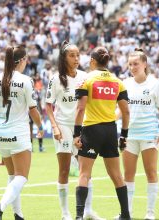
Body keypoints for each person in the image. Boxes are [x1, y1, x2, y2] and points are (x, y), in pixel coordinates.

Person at [0, 45, 44, 220]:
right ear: (22, 61)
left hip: (0, 134)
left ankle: (18, 215)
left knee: (12, 177)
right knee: (22, 177)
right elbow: (33, 110)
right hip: (19, 133)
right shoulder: (25, 80)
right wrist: (40, 127)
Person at [45, 41, 103, 220]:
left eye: (78, 55)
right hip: (62, 127)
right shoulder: (55, 79)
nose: (76, 58)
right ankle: (65, 213)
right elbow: (48, 104)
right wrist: (54, 126)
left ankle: (88, 211)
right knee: (64, 171)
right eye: (72, 55)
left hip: (83, 128)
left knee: (86, 171)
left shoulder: (85, 77)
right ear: (64, 58)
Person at [74, 46, 131, 220]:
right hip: (110, 131)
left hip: (91, 130)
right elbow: (126, 112)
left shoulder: (86, 80)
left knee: (84, 174)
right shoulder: (117, 81)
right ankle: (126, 214)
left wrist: (76, 134)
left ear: (92, 61)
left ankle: (78, 216)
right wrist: (124, 136)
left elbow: (81, 108)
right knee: (116, 175)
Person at [118, 49, 159, 220]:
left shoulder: (155, 84)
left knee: (151, 173)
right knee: (128, 175)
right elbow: (121, 110)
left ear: (144, 64)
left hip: (149, 134)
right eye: (130, 64)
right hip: (129, 135)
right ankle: (127, 212)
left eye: (136, 64)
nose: (132, 67)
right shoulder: (125, 83)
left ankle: (150, 213)